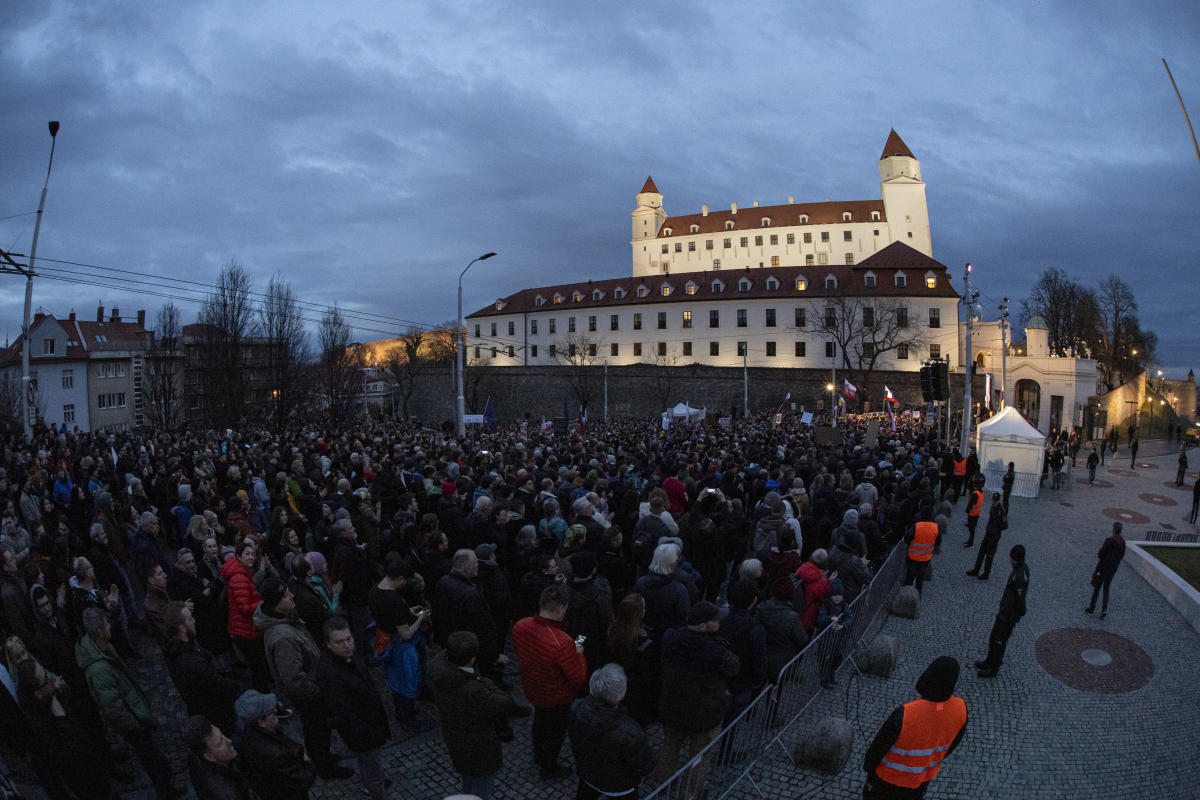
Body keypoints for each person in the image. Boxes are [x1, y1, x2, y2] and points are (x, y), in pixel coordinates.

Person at [254, 576, 352, 780]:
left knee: (318, 730)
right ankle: (324, 766)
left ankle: (322, 757)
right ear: (275, 603)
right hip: (310, 696)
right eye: (285, 594)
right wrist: (320, 691)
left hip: (311, 687)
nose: (291, 595)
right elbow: (294, 681)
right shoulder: (283, 637)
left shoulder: (284, 619)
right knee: (316, 729)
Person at [76, 606, 176, 799]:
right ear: (99, 631)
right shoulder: (98, 669)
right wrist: (135, 724)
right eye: (106, 624)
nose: (109, 626)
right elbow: (112, 707)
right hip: (135, 725)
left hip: (136, 716)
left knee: (156, 759)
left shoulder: (102, 649)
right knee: (153, 761)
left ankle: (168, 787)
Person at [428, 630, 532, 800]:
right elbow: (503, 704)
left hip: (454, 735)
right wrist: (489, 685)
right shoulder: (473, 690)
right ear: (472, 658)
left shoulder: (439, 670)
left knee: (467, 775)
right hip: (478, 743)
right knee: (482, 782)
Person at [652, 601, 739, 796]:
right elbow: (734, 667)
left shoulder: (670, 638)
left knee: (670, 746)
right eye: (715, 621)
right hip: (704, 713)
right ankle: (690, 793)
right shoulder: (717, 651)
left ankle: (661, 784)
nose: (718, 623)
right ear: (702, 626)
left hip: (673, 707)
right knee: (699, 756)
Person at [862, 656, 967, 799]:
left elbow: (878, 748)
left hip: (887, 780)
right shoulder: (961, 709)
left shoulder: (905, 714)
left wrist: (869, 767)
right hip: (920, 781)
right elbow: (952, 744)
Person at [512, 583, 588, 781]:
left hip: (533, 690)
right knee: (555, 733)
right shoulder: (562, 642)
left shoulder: (521, 625)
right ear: (562, 608)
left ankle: (538, 754)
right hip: (557, 697)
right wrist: (578, 650)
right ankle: (549, 768)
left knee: (540, 722)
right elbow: (578, 677)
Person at [316, 616, 392, 800]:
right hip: (362, 733)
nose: (347, 645)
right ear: (327, 644)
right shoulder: (329, 673)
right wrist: (367, 734)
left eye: (349, 639)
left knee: (370, 763)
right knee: (370, 766)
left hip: (369, 723)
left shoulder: (348, 656)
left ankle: (373, 780)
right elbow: (343, 712)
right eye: (340, 642)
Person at [569, 664, 656, 800]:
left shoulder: (576, 708)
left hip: (587, 774)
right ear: (621, 695)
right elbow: (645, 765)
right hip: (619, 787)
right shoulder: (630, 732)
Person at [162, 600, 245, 736]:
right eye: (190, 618)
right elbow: (218, 684)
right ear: (182, 628)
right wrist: (239, 690)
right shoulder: (191, 663)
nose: (194, 620)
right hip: (217, 712)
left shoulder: (176, 646)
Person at [236, 689, 317, 800]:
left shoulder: (251, 732)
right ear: (261, 721)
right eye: (271, 711)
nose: (275, 710)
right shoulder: (274, 754)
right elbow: (303, 779)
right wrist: (308, 762)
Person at [975, 545, 1029, 678]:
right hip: (1004, 612)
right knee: (994, 637)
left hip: (1008, 615)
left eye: (1011, 557)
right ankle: (989, 661)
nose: (1009, 560)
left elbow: (1020, 599)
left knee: (999, 641)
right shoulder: (1019, 569)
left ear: (1015, 558)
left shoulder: (1020, 576)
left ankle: (994, 668)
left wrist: (1016, 614)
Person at [184, 715, 256, 800]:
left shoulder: (195, 755)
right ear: (210, 757)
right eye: (220, 743)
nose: (229, 741)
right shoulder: (228, 794)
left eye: (222, 735)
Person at [1085, 522, 1126, 620]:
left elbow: (1101, 554)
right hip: (1112, 570)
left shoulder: (1109, 541)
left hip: (1103, 568)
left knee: (1097, 588)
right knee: (1106, 589)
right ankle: (1104, 610)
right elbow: (1121, 556)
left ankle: (1091, 609)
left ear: (1114, 529)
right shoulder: (1123, 543)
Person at [966, 493, 1007, 580]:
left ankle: (986, 573)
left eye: (995, 501)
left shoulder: (1001, 511)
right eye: (993, 500)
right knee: (981, 552)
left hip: (994, 537)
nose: (993, 502)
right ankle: (976, 570)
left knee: (989, 555)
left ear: (999, 500)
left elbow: (1005, 526)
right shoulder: (992, 507)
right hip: (988, 534)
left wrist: (996, 526)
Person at [903, 513, 937, 595]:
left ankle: (906, 596)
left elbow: (907, 538)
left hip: (913, 556)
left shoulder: (916, 526)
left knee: (910, 576)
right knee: (920, 578)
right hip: (925, 557)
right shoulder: (935, 527)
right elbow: (938, 541)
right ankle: (917, 596)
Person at [962, 480, 984, 547]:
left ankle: (970, 542)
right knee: (972, 529)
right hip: (977, 514)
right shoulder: (981, 492)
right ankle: (970, 542)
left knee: (971, 529)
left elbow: (971, 504)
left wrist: (967, 510)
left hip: (972, 514)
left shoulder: (975, 494)